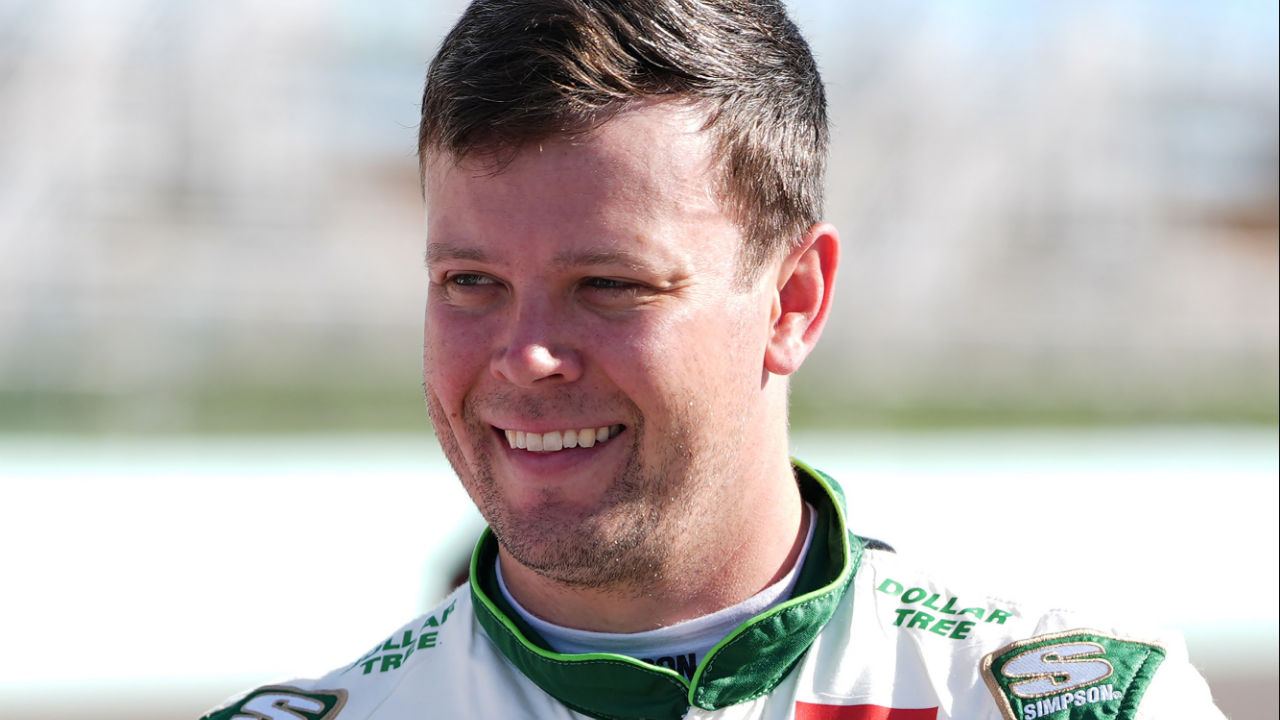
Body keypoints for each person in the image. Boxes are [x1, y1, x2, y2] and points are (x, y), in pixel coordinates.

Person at [202, 1, 1225, 718]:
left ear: (791, 301)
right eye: (469, 282)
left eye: (609, 285)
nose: (527, 357)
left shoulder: (1066, 705)